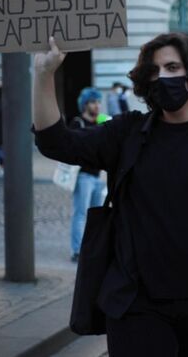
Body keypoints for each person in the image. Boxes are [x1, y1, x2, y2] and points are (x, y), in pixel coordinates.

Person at [32, 34, 188, 356]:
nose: (162, 76)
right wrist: (43, 74)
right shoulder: (127, 134)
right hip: (137, 306)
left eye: (172, 67)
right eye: (154, 70)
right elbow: (55, 142)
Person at [68, 87, 109, 262]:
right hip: (83, 175)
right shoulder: (78, 123)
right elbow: (72, 148)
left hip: (98, 176)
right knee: (81, 214)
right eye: (93, 102)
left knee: (97, 216)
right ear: (85, 104)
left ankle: (94, 248)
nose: (97, 106)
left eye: (99, 102)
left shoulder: (101, 122)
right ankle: (77, 250)